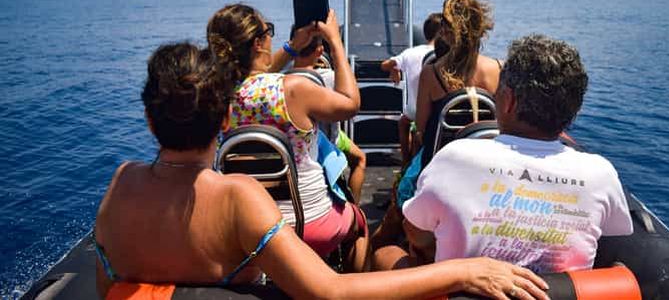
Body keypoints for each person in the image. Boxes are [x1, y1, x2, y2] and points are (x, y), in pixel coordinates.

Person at [94, 42, 550, 300]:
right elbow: (330, 293)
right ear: (221, 119)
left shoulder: (121, 184)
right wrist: (463, 273)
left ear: (150, 118)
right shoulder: (237, 198)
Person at [377, 34, 633, 274]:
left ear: (508, 100)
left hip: (461, 293)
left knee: (384, 254)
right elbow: (613, 233)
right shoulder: (600, 174)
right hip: (560, 292)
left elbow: (417, 233)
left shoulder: (455, 157)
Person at [207, 4, 369, 270]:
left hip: (249, 228)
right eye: (269, 31)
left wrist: (293, 47)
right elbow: (350, 104)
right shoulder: (293, 88)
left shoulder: (217, 94)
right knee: (359, 225)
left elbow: (257, 77)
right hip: (309, 222)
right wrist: (336, 43)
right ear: (259, 43)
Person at [372, 0, 500, 250]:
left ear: (447, 30)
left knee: (386, 228)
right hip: (486, 172)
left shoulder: (432, 73)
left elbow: (419, 129)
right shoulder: (498, 69)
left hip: (441, 169)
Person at [290, 28, 367, 203]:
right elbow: (350, 105)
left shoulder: (279, 77)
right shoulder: (331, 77)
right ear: (320, 51)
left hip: (292, 140)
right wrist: (336, 46)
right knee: (360, 158)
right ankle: (354, 207)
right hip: (328, 139)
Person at [380, 12, 443, 166]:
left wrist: (394, 68)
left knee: (403, 123)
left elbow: (384, 65)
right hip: (437, 109)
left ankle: (406, 160)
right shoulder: (445, 53)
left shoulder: (411, 53)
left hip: (415, 109)